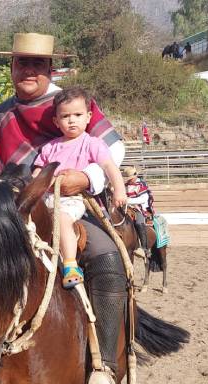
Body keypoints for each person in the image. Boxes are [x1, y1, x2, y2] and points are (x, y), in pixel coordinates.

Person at [0, 32, 128, 384]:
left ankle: (103, 369)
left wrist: (87, 177)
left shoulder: (70, 104)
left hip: (70, 207)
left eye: (37, 63)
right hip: (13, 216)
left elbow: (115, 149)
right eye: (22, 62)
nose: (28, 70)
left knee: (106, 258)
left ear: (49, 68)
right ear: (12, 67)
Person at [33, 87, 127, 289]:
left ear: (88, 117)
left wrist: (120, 190)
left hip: (71, 200)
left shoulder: (92, 143)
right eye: (65, 116)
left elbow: (109, 166)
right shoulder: (50, 147)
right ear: (56, 122)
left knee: (63, 219)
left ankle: (70, 265)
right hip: (46, 198)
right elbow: (38, 172)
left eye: (77, 115)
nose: (72, 120)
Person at [123, 166, 153, 257]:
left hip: (139, 208)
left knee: (139, 222)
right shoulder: (125, 185)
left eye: (131, 178)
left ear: (135, 176)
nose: (129, 180)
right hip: (126, 207)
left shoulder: (142, 185)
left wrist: (128, 200)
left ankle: (144, 248)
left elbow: (143, 199)